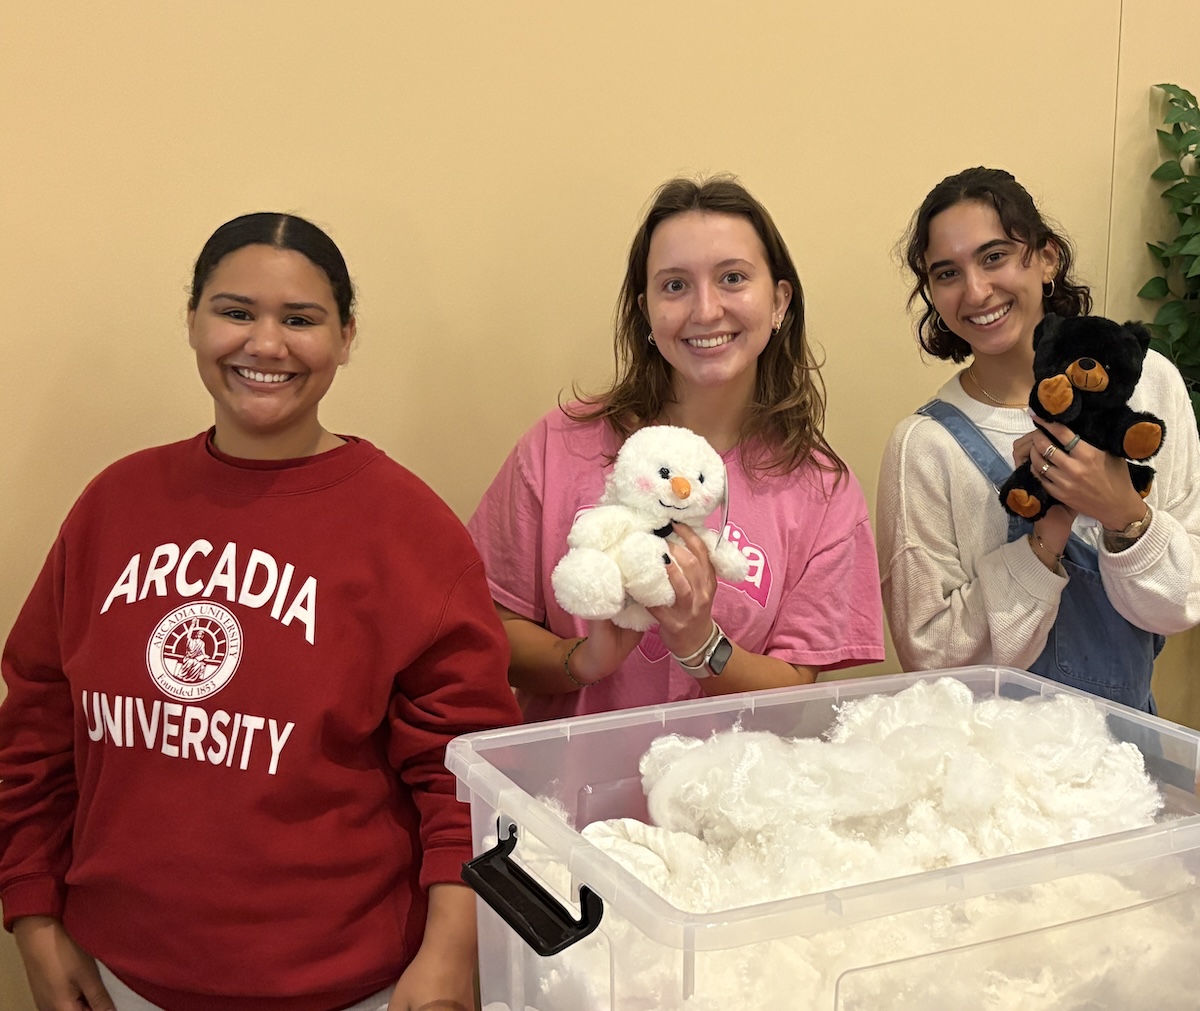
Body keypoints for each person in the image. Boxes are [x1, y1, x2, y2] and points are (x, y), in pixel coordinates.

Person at [0, 213, 522, 1011]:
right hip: (118, 978)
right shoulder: (114, 505)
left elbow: (467, 768)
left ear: (347, 336)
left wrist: (452, 952)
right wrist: (32, 912)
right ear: (193, 320)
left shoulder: (407, 528)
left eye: (301, 319)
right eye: (236, 311)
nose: (265, 344)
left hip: (351, 987)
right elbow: (37, 726)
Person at [468, 176, 885, 724]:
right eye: (674, 286)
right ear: (646, 310)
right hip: (563, 799)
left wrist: (701, 645)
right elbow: (487, 628)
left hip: (730, 797)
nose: (706, 310)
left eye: (732, 278)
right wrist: (584, 660)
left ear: (780, 300)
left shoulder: (823, 489)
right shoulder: (557, 445)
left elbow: (795, 687)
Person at [877, 166, 1200, 711]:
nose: (976, 291)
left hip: (1125, 755)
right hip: (988, 774)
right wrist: (1046, 537)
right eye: (947, 273)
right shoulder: (925, 445)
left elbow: (1182, 602)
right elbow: (930, 661)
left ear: (1047, 258)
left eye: (994, 256)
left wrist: (1121, 510)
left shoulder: (1149, 384)